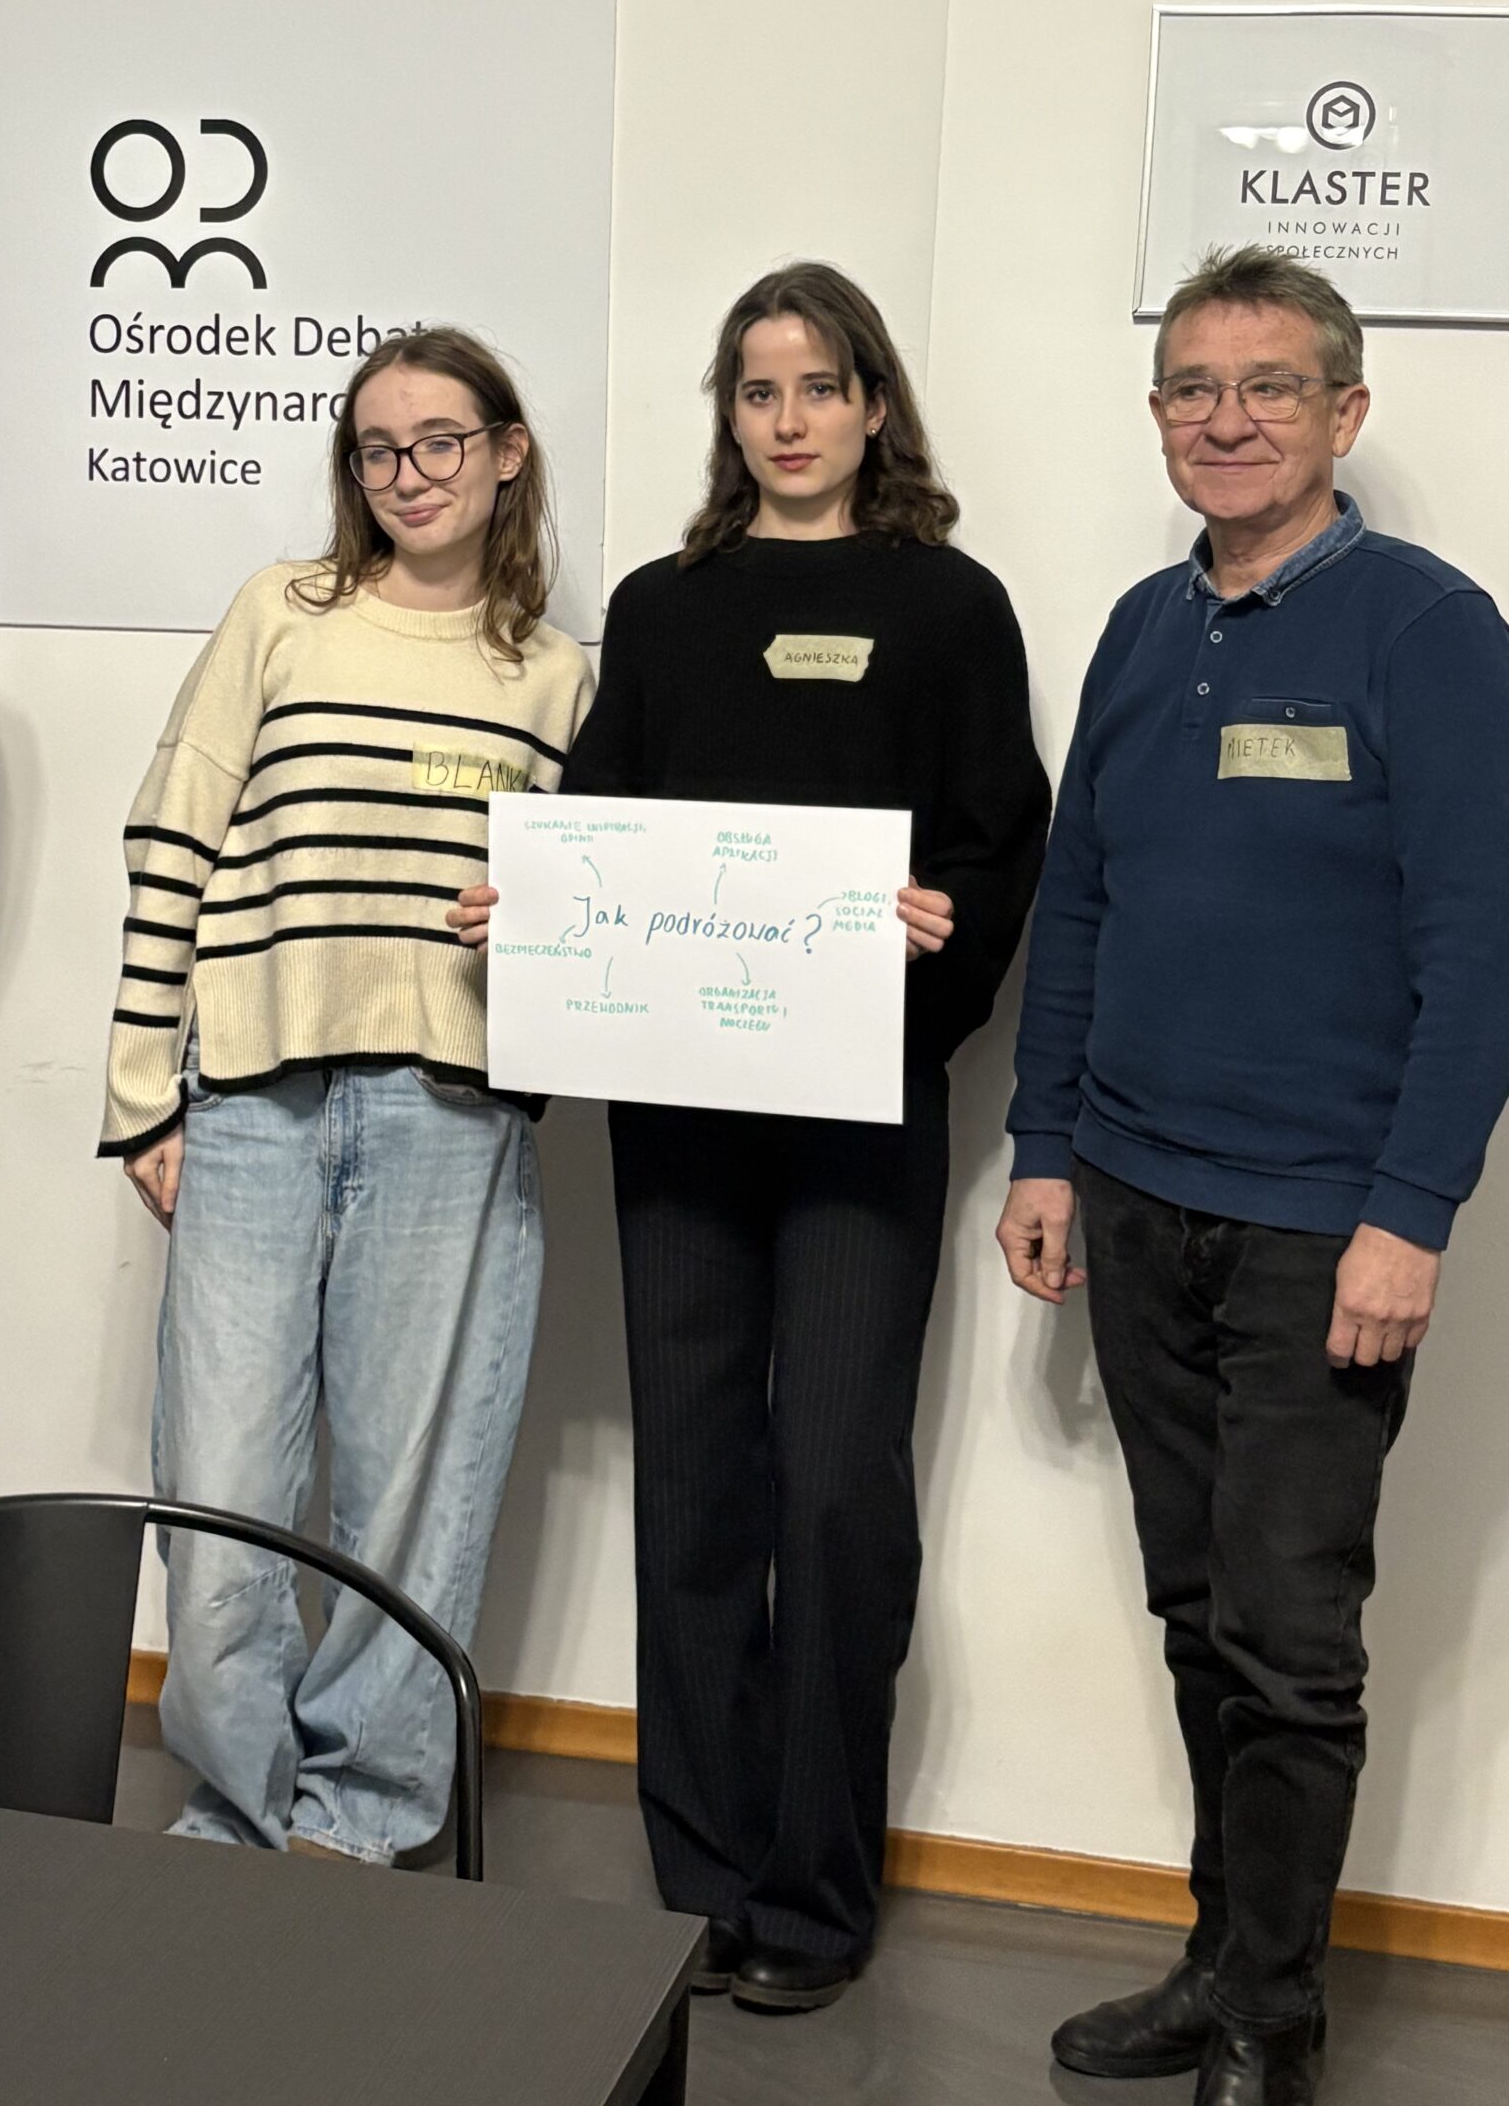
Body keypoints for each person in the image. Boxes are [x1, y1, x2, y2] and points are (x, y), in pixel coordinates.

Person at [459, 261, 1049, 2008]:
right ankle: (701, 1881)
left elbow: (1002, 843)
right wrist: (537, 913)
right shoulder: (664, 607)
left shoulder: (951, 606)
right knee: (699, 1480)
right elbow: (600, 821)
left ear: (875, 407)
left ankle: (814, 1896)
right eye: (757, 391)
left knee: (836, 1488)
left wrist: (936, 940)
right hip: (682, 1123)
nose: (788, 422)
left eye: (818, 388)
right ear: (729, 415)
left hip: (863, 1113)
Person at [998, 246, 1509, 2106]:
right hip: (1135, 1196)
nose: (1227, 420)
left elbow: (1480, 948)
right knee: (1199, 1611)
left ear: (1344, 412)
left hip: (1322, 1225)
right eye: (1193, 389)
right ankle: (1217, 1962)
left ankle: (1275, 2020)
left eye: (1268, 387)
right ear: (1160, 419)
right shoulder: (1145, 629)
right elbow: (1079, 903)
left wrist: (1410, 1213)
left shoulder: (1430, 632)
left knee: (1292, 1638)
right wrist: (1045, 1145)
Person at [101, 326, 591, 1860]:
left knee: (414, 1495)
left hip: (453, 1115)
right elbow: (172, 839)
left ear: (506, 452)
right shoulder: (284, 613)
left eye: (440, 441)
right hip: (253, 1100)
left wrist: (547, 924)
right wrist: (142, 1092)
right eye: (379, 449)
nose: (409, 474)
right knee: (222, 1485)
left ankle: (360, 1817)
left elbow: (593, 921)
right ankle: (238, 1802)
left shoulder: (555, 677)